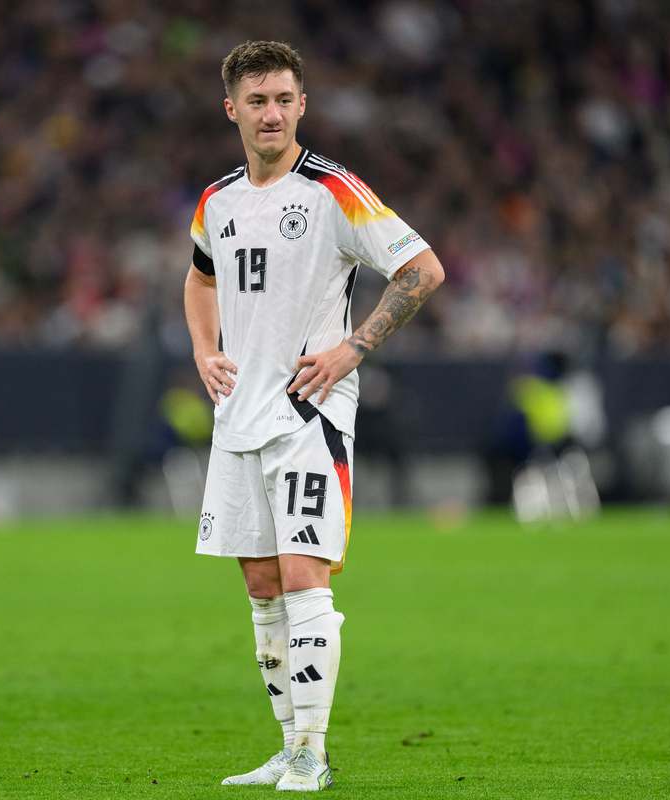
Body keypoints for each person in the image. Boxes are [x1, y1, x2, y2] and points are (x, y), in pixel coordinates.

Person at [183, 41, 444, 791]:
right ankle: (287, 745)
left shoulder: (333, 190)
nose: (273, 113)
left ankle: (313, 752)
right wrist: (206, 352)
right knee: (261, 585)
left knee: (304, 575)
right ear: (231, 108)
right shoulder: (217, 200)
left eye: (285, 99)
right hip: (239, 415)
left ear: (303, 105)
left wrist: (350, 352)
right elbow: (199, 281)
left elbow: (421, 268)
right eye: (258, 100)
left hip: (308, 412)